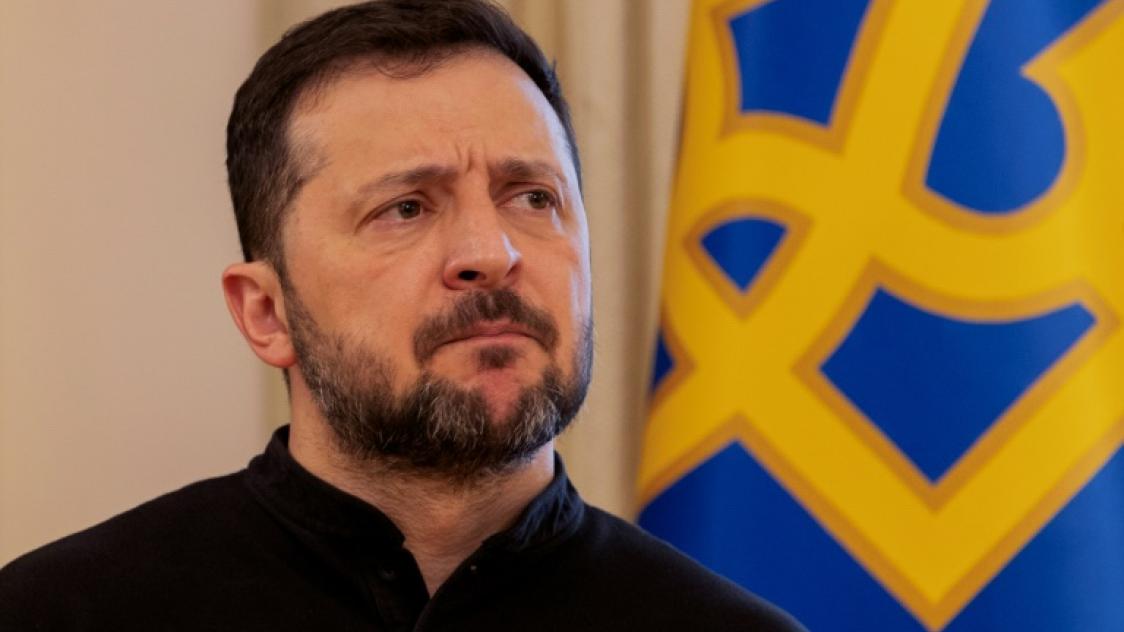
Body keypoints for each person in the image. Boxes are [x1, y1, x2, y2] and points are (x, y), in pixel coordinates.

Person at [0, 1, 805, 630]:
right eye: (406, 208)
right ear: (267, 313)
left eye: (532, 198)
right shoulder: (55, 614)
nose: (491, 253)